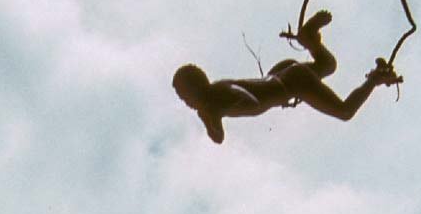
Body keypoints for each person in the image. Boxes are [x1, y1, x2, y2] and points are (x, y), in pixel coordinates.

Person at [172, 10, 401, 144]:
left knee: (344, 111)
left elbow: (249, 101)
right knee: (328, 65)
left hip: (290, 84)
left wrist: (213, 114)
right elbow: (218, 138)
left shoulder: (218, 96)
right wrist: (211, 119)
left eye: (186, 97)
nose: (187, 103)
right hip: (283, 75)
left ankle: (374, 78)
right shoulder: (215, 98)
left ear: (197, 88)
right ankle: (310, 39)